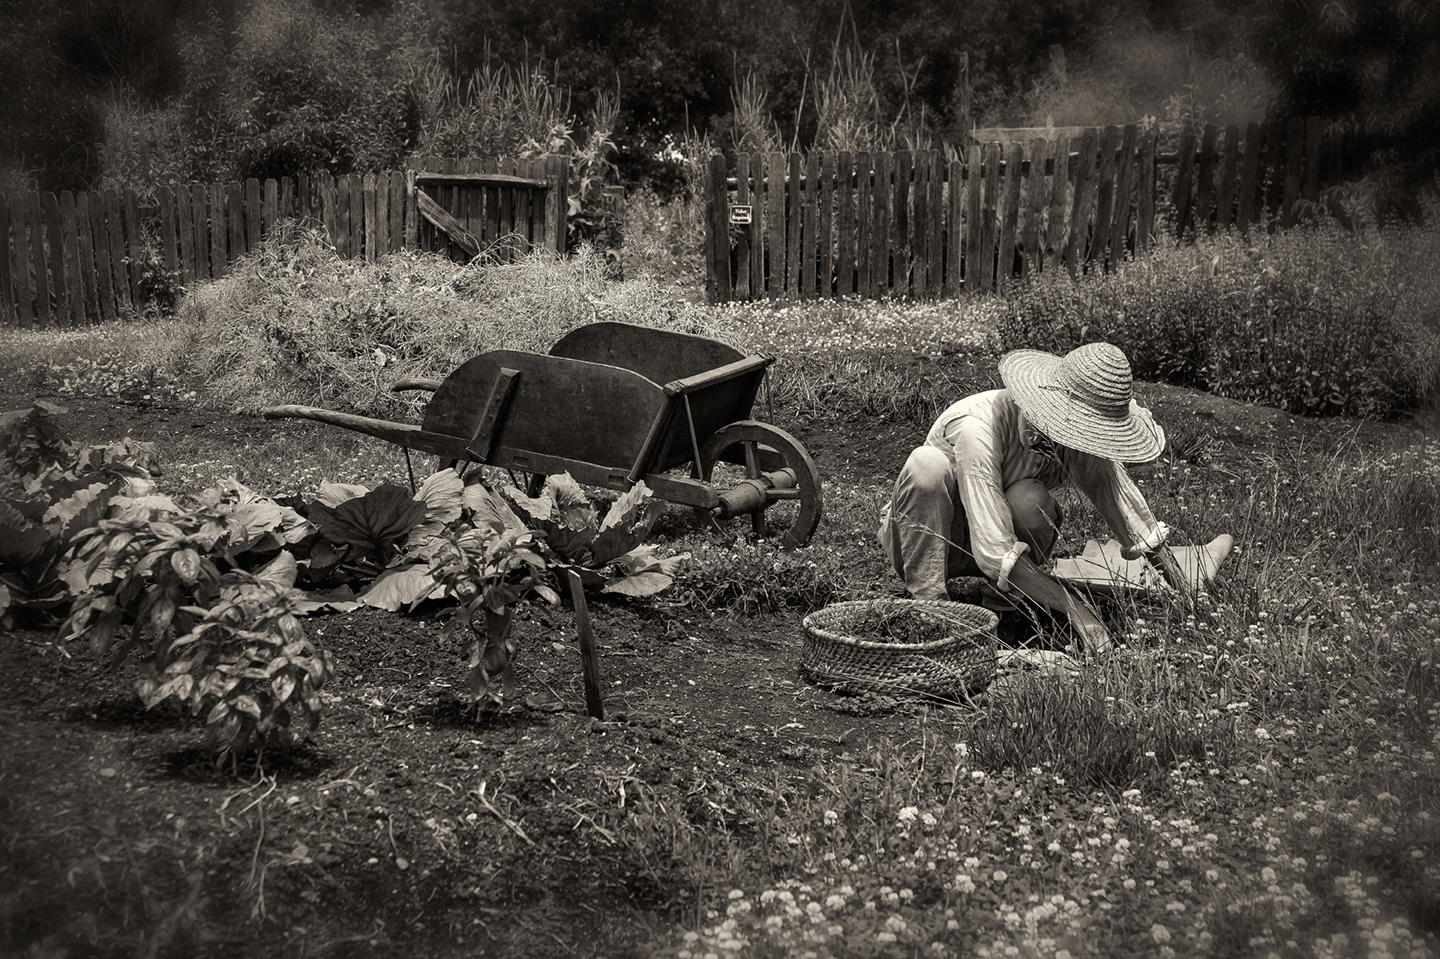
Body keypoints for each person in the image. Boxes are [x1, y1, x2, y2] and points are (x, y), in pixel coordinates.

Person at [877, 342, 1170, 655]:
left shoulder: (1072, 436)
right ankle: (932, 611)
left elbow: (1125, 507)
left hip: (995, 548)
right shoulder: (976, 426)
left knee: (1031, 498)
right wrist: (1078, 611)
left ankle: (1004, 609)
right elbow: (993, 546)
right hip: (934, 540)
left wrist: (1183, 590)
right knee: (927, 466)